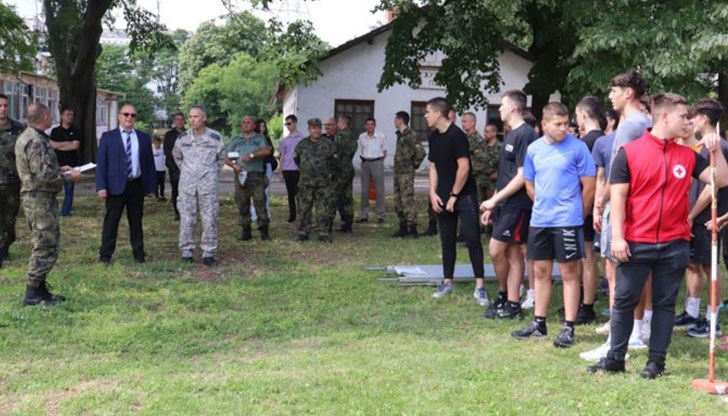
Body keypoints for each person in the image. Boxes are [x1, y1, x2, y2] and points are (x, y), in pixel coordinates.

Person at [588, 93, 728, 379]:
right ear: (664, 117)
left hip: (674, 243)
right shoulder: (630, 152)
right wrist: (618, 236)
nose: (688, 122)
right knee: (624, 301)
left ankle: (656, 363)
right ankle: (615, 358)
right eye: (682, 117)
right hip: (635, 242)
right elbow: (618, 197)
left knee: (664, 304)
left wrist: (716, 149)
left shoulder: (688, 155)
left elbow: (722, 179)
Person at [511, 102, 596, 347]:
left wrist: (579, 214)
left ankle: (569, 327)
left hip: (568, 221)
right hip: (540, 221)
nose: (563, 129)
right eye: (557, 125)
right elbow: (529, 182)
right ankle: (539, 322)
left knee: (569, 273)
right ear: (544, 124)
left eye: (566, 124)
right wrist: (541, 203)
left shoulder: (578, 148)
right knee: (540, 271)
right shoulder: (534, 149)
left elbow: (589, 186)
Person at [593, 71, 653, 352]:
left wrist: (600, 202)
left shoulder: (632, 125)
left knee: (618, 275)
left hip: (624, 206)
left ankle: (617, 340)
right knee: (632, 274)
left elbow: (620, 172)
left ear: (628, 92)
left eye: (614, 90)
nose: (610, 95)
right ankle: (634, 333)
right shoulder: (640, 121)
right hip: (633, 205)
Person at [15, 103, 81, 305]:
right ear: (44, 117)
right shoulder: (35, 140)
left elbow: (41, 168)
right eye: (50, 115)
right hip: (39, 199)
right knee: (44, 244)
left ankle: (41, 288)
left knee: (45, 241)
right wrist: (69, 178)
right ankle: (33, 292)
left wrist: (61, 169)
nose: (52, 118)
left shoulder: (31, 136)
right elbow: (43, 176)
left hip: (39, 197)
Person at [481, 90, 539, 319]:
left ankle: (507, 296)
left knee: (497, 249)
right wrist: (493, 205)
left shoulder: (525, 134)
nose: (500, 109)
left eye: (502, 105)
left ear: (514, 107)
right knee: (512, 252)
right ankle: (510, 301)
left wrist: (494, 199)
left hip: (518, 205)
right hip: (504, 203)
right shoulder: (511, 135)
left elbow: (522, 175)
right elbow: (506, 175)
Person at [426, 97, 488, 305]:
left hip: (464, 195)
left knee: (471, 238)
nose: (425, 115)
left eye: (427, 112)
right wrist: (433, 193)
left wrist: (454, 195)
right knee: (447, 240)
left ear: (437, 114)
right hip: (443, 196)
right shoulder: (434, 137)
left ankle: (480, 286)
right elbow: (433, 166)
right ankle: (447, 281)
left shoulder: (457, 136)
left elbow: (464, 167)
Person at [680, 99, 728, 338]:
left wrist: (690, 214)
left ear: (705, 119)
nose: (690, 121)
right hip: (699, 216)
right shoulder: (701, 146)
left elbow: (715, 186)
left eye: (694, 117)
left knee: (712, 270)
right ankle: (693, 312)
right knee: (695, 264)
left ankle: (713, 322)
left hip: (710, 216)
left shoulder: (718, 147)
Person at [96, 103, 157, 265]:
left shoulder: (143, 138)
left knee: (136, 222)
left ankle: (139, 255)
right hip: (115, 186)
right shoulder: (108, 137)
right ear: (119, 116)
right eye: (126, 114)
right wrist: (101, 186)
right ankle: (105, 256)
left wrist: (151, 188)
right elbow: (101, 164)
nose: (129, 117)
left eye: (133, 115)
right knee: (111, 222)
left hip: (136, 185)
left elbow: (149, 164)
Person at [173, 105, 226, 266]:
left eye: (195, 116)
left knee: (209, 219)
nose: (192, 120)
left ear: (204, 118)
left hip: (207, 186)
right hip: (187, 186)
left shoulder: (215, 138)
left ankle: (208, 252)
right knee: (187, 218)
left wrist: (209, 173)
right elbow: (177, 156)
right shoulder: (183, 138)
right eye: (190, 117)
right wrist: (188, 172)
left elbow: (221, 158)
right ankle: (186, 251)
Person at [574, 96, 605, 325]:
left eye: (576, 116)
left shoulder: (585, 144)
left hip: (586, 205)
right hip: (596, 205)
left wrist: (585, 209)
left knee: (585, 256)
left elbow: (590, 181)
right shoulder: (606, 140)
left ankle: (585, 306)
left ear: (584, 115)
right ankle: (583, 303)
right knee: (587, 256)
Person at [227, 116, 272, 241]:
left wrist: (252, 155)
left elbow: (267, 151)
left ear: (253, 126)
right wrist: (234, 165)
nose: (245, 124)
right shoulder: (236, 140)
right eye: (243, 122)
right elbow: (226, 156)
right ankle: (246, 231)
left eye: (249, 122)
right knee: (242, 204)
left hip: (256, 175)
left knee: (260, 203)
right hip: (241, 176)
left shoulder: (260, 138)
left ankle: (264, 231)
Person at [294, 118, 338, 242]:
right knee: (304, 209)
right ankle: (303, 232)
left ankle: (323, 232)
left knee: (323, 209)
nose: (317, 130)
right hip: (306, 183)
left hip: (323, 184)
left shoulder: (328, 144)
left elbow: (334, 162)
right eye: (314, 128)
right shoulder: (302, 144)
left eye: (319, 128)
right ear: (309, 129)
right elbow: (297, 160)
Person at [392, 111, 426, 238]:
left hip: (406, 173)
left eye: (395, 119)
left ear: (401, 120)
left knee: (407, 200)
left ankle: (412, 228)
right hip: (398, 171)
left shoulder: (411, 134)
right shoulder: (399, 135)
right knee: (398, 200)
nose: (394, 121)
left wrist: (413, 165)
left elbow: (421, 152)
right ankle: (402, 226)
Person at [0, 93, 25, 268]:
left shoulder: (17, 128)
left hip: (11, 181)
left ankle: (5, 247)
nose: (3, 109)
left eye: (5, 106)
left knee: (9, 218)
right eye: (0, 106)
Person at [49, 107, 81, 216]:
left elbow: (74, 146)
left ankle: (65, 211)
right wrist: (67, 143)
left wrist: (59, 145)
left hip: (72, 164)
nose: (70, 117)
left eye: (71, 115)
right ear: (62, 116)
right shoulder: (55, 131)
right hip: (58, 163)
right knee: (54, 188)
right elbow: (51, 145)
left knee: (69, 189)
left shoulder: (75, 130)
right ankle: (52, 209)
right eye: (67, 114)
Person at [357, 117, 387, 223]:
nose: (370, 126)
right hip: (365, 163)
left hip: (377, 162)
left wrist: (379, 161)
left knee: (379, 190)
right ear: (365, 126)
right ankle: (364, 215)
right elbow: (362, 149)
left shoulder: (381, 136)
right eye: (368, 124)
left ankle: (381, 215)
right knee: (365, 191)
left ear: (375, 125)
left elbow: (384, 151)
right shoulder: (361, 137)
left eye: (372, 124)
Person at [332, 115, 358, 232]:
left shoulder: (339, 136)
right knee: (348, 197)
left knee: (335, 196)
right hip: (349, 168)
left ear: (342, 122)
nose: (337, 124)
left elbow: (337, 153)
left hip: (340, 170)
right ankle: (349, 223)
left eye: (338, 121)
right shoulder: (352, 137)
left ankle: (330, 222)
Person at [279, 115, 304, 223]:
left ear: (295, 123)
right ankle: (292, 214)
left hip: (298, 169)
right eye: (286, 124)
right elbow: (282, 156)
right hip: (287, 168)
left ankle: (301, 214)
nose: (288, 126)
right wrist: (280, 171)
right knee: (290, 193)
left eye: (289, 123)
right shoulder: (284, 140)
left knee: (299, 193)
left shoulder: (302, 139)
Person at [251, 118, 276, 222]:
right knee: (255, 191)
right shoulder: (253, 139)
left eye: (263, 126)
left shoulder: (267, 138)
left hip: (267, 166)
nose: (262, 128)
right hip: (256, 167)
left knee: (266, 191)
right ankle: (254, 215)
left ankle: (266, 214)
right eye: (260, 126)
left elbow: (271, 151)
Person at [461, 112, 489, 205]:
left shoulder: (477, 140)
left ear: (472, 123)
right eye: (462, 121)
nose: (463, 124)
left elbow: (483, 160)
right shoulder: (464, 138)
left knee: (474, 204)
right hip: (465, 177)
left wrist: (469, 169)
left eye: (465, 121)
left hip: (475, 178)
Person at [164, 112, 186, 220]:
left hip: (188, 168)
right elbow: (167, 151)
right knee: (176, 190)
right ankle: (177, 212)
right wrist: (174, 166)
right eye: (177, 119)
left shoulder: (189, 134)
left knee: (187, 191)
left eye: (182, 119)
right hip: (174, 168)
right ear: (174, 121)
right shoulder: (169, 135)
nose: (180, 121)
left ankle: (187, 212)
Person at [482, 123, 502, 201]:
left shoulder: (500, 147)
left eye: (487, 132)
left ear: (494, 133)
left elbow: (503, 164)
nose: (485, 134)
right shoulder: (483, 146)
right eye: (484, 132)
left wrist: (498, 174)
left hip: (493, 183)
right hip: (481, 181)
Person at [152, 136, 166, 201]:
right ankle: (156, 196)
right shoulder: (152, 151)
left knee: (162, 184)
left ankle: (162, 195)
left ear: (161, 143)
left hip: (162, 169)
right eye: (156, 143)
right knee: (156, 183)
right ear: (154, 143)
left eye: (159, 143)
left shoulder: (163, 150)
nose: (157, 145)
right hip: (155, 170)